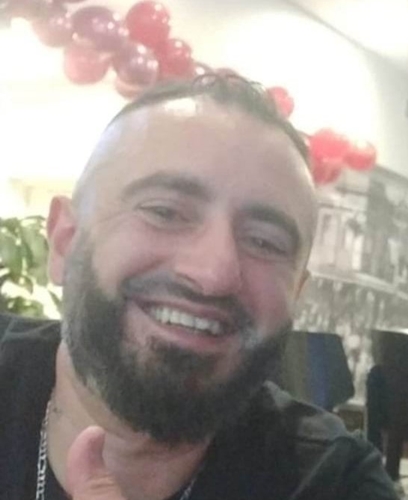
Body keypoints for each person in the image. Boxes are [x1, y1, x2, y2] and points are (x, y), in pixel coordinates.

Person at [0, 75, 399, 500]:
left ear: (296, 293)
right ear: (65, 240)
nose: (214, 275)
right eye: (165, 212)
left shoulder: (334, 481)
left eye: (265, 242)